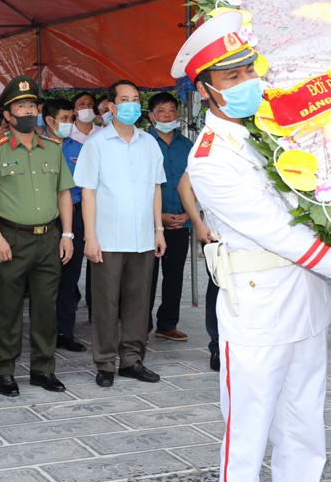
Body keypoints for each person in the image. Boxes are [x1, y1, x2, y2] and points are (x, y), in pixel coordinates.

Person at [174, 13, 331, 482]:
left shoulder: (280, 131)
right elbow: (285, 233)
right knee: (246, 439)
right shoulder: (210, 157)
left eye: (250, 67)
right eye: (232, 74)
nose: (248, 79)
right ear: (205, 89)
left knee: (305, 435)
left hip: (307, 306)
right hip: (255, 310)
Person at [0, 75, 75, 397]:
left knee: (47, 308)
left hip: (49, 238)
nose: (28, 111)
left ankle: (43, 370)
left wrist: (67, 234)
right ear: (8, 114)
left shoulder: (52, 149)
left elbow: (64, 193)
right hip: (11, 238)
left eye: (32, 105)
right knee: (8, 309)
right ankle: (5, 370)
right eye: (21, 106)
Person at [74, 80, 166, 388]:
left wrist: (159, 230)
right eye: (124, 100)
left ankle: (132, 360)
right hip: (108, 239)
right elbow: (88, 193)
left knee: (139, 302)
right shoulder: (96, 145)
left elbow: (156, 188)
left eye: (136, 99)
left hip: (142, 238)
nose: (131, 105)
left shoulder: (149, 143)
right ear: (111, 107)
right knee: (106, 303)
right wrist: (90, 236)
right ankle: (105, 362)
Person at [147, 92, 194, 342]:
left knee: (175, 274)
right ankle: (141, 323)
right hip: (149, 223)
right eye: (162, 111)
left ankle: (167, 323)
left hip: (181, 221)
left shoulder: (188, 146)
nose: (168, 115)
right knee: (146, 275)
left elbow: (196, 183)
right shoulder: (143, 142)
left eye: (172, 111)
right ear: (152, 116)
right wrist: (159, 217)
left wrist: (189, 212)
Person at [42, 97, 87, 353]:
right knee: (46, 278)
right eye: (65, 119)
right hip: (47, 218)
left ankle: (65, 331)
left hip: (76, 216)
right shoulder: (36, 148)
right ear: (50, 120)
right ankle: (45, 330)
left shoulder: (79, 149)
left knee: (70, 278)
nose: (70, 123)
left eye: (72, 119)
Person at [178, 172, 221, 372]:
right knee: (219, 289)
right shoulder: (211, 145)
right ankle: (218, 346)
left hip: (258, 239)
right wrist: (197, 222)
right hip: (219, 236)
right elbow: (184, 186)